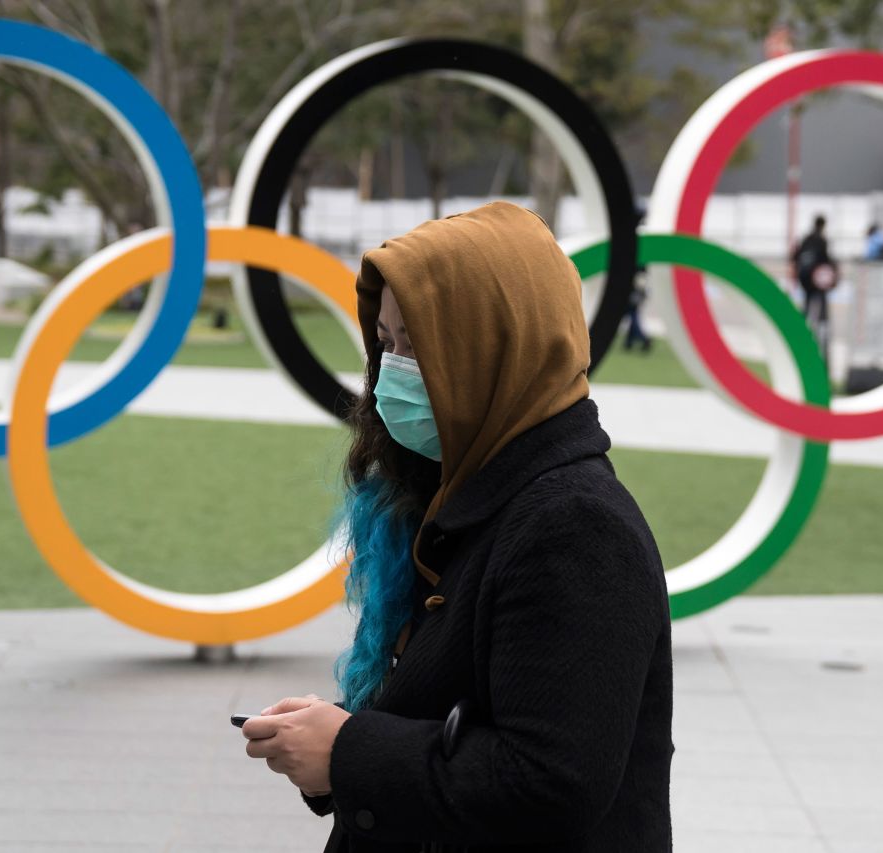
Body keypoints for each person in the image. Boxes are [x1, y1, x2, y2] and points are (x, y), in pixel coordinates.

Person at [241, 201, 674, 851]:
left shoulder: (575, 528)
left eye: (415, 344)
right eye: (385, 342)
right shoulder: (469, 490)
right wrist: (331, 745)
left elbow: (549, 785)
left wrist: (349, 751)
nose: (390, 370)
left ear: (498, 343)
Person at [791, 214, 839, 357]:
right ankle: (821, 333)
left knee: (806, 303)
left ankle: (801, 330)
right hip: (816, 279)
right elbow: (825, 260)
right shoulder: (821, 240)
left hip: (804, 277)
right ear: (823, 225)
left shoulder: (806, 238)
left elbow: (795, 256)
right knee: (821, 305)